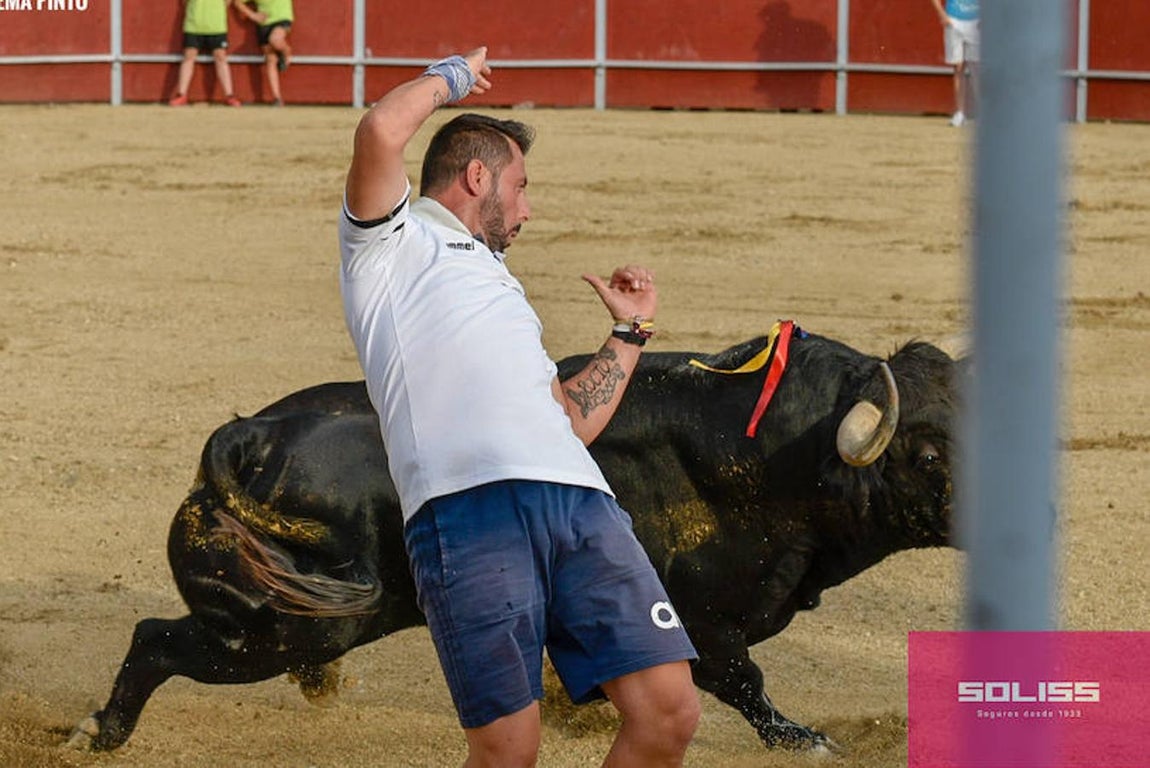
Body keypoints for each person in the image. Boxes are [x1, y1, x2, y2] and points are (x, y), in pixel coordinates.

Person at [339, 47, 701, 767]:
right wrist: (451, 76)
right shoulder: (389, 247)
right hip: (467, 508)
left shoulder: (501, 289)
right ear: (479, 176)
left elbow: (570, 423)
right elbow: (381, 131)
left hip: (579, 502)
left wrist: (630, 333)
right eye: (523, 186)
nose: (530, 208)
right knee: (509, 751)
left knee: (670, 712)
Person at [169, 0, 241, 107]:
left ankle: (229, 95)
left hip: (216, 25)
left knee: (220, 57)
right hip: (194, 24)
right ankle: (181, 94)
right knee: (189, 56)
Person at [930, 0, 979, 126]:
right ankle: (960, 113)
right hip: (953, 20)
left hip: (976, 22)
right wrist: (942, 15)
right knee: (958, 68)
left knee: (976, 69)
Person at [236, 0, 293, 106]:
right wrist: (253, 15)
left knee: (275, 39)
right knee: (271, 60)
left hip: (282, 19)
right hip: (264, 24)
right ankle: (277, 97)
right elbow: (238, 2)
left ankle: (287, 51)